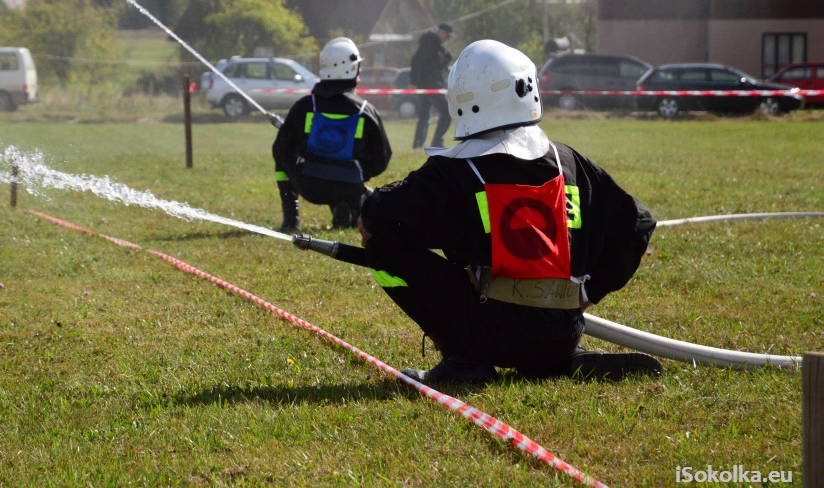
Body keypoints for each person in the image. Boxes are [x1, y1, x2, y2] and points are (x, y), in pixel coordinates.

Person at [357, 39, 662, 384]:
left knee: (381, 248)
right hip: (564, 328)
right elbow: (639, 223)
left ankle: (463, 361)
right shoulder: (570, 162)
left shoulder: (455, 169)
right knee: (540, 331)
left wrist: (373, 217)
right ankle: (560, 360)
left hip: (492, 331)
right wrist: (588, 293)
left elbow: (379, 216)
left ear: (462, 97)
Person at [273, 37, 392, 232]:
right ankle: (347, 204)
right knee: (353, 191)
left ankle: (290, 219)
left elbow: (280, 150)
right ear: (351, 69)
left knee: (281, 158)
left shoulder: (305, 106)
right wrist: (361, 174)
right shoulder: (366, 110)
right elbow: (382, 158)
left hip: (311, 186)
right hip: (351, 185)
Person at [410, 23, 454, 149]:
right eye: (448, 36)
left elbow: (414, 62)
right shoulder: (433, 47)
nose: (448, 39)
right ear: (441, 32)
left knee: (424, 115)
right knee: (447, 113)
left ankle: (418, 143)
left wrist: (414, 81)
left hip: (423, 86)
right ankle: (437, 141)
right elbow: (434, 66)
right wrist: (446, 59)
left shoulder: (427, 45)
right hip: (432, 86)